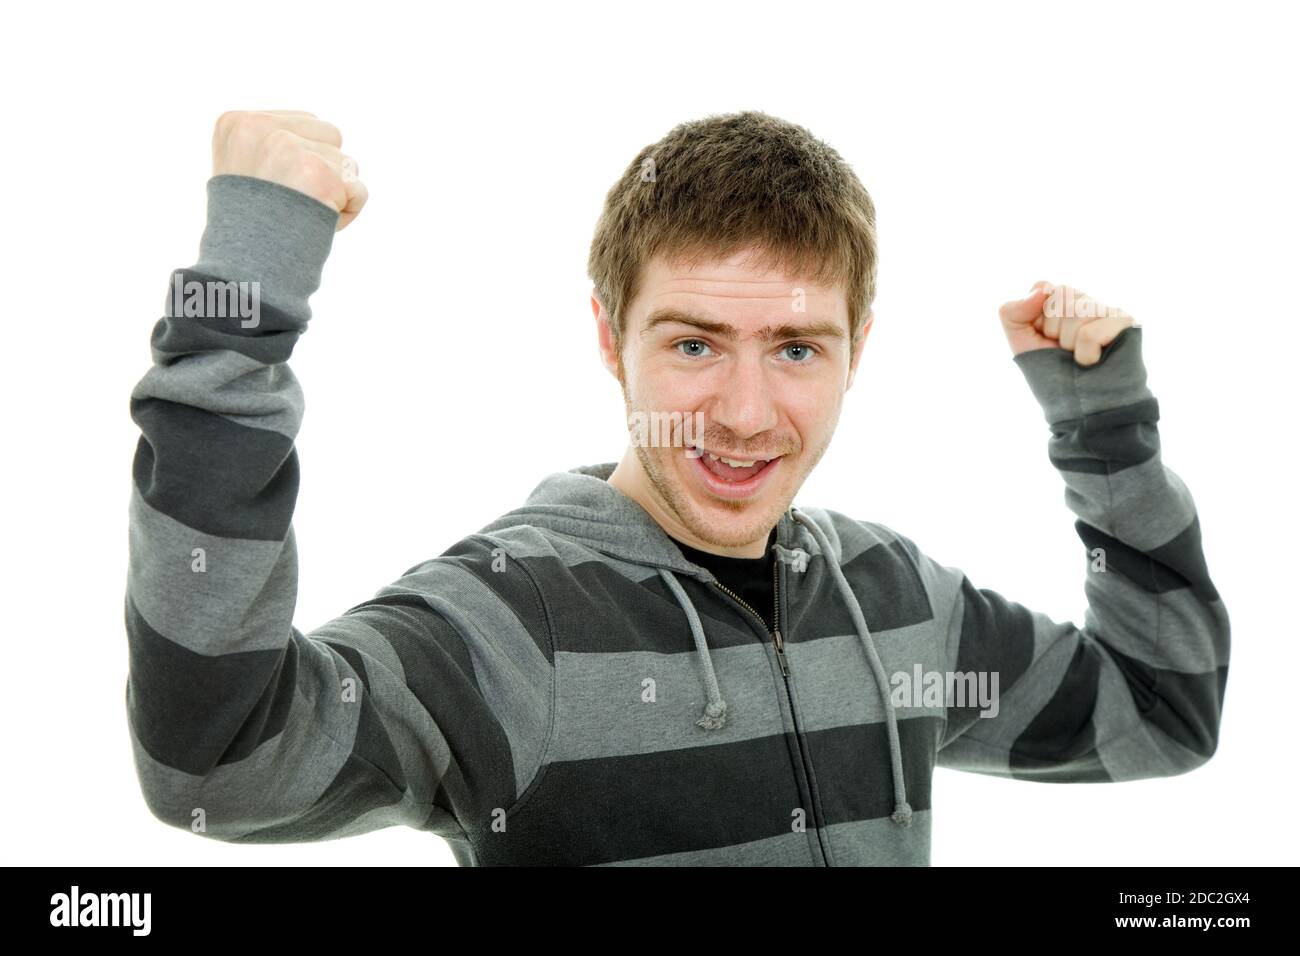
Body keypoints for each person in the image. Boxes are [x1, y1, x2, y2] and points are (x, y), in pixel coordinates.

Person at [124, 109, 1230, 866]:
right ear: (611, 338)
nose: (746, 414)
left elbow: (1159, 713)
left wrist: (1103, 428)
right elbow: (217, 762)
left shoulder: (900, 607)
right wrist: (241, 300)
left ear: (860, 346)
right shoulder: (509, 625)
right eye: (695, 344)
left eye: (796, 348)